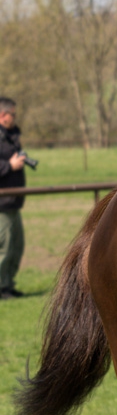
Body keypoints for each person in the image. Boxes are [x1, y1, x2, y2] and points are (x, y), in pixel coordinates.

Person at [0, 97, 27, 299]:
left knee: (16, 245)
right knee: (5, 247)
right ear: (3, 115)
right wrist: (10, 166)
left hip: (13, 202)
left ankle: (8, 285)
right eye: (13, 115)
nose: (15, 118)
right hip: (2, 204)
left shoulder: (10, 136)